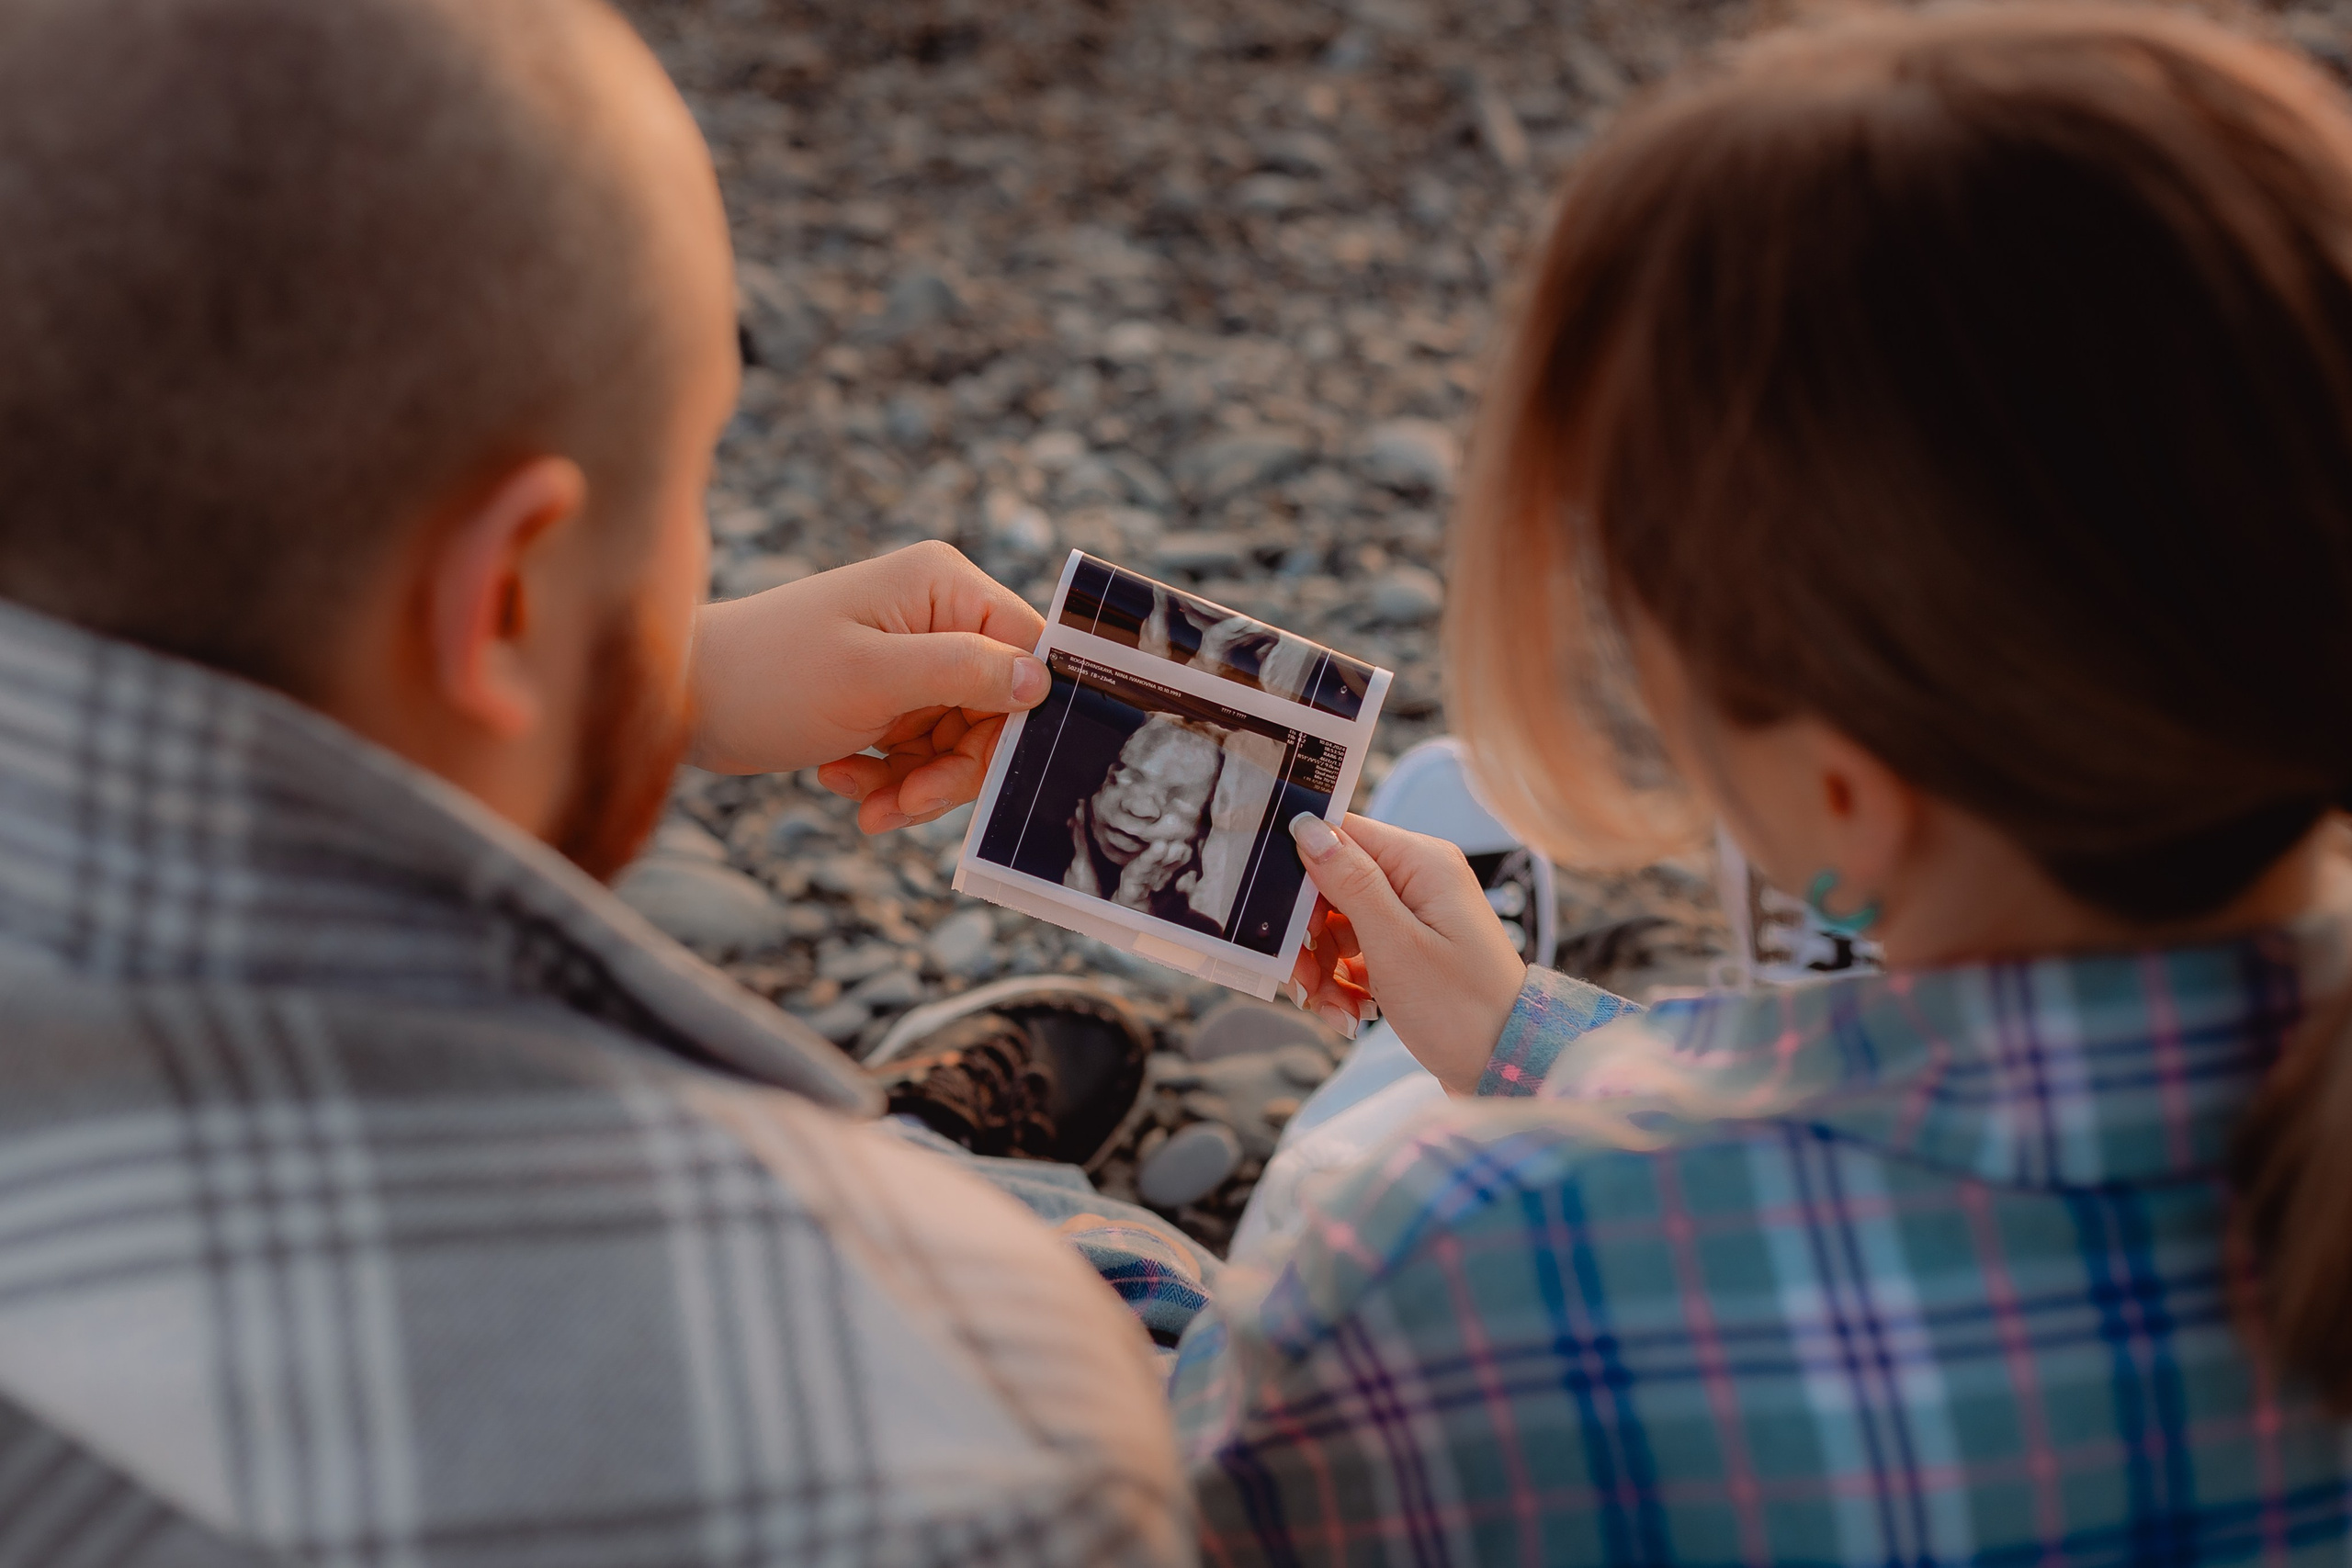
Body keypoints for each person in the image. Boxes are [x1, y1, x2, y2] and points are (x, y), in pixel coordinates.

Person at [1136, 4, 2352, 1561]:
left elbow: (1159, 1505)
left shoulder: (1446, 1270)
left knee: (1100, 1258)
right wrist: (1523, 1038)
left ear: (1845, 802)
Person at [0, 0, 1192, 1562]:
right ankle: (914, 1158)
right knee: (1137, 1302)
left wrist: (653, 675)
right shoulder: (959, 1453)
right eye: (693, 478)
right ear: (502, 592)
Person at [1065, 716, 1228, 933]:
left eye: (1176, 798)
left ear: (1201, 834)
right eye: (1124, 777)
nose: (1138, 808)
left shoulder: (1200, 934)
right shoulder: (1024, 858)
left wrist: (1131, 912)